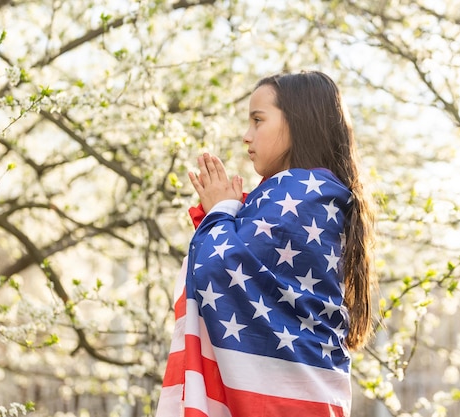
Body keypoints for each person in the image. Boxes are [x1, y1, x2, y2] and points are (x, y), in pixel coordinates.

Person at [156, 71, 376, 417]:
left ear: (299, 121)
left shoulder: (303, 195)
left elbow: (220, 267)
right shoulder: (315, 196)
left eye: (258, 121)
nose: (247, 136)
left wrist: (221, 213)